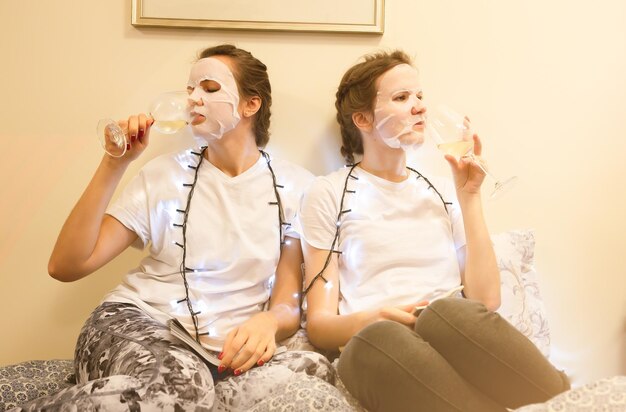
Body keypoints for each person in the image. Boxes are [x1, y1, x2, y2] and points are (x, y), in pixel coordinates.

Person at [20, 44, 334, 411]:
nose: (194, 100)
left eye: (210, 89)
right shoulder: (163, 175)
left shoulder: (298, 188)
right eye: (190, 90)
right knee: (181, 383)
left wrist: (267, 322)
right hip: (138, 321)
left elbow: (286, 302)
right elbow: (66, 266)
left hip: (221, 352)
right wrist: (115, 162)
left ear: (251, 104)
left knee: (312, 369)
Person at [298, 50, 570, 412]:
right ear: (362, 118)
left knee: (447, 313)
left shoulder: (442, 190)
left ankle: (571, 401)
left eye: (420, 96)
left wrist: (469, 195)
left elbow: (486, 301)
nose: (419, 107)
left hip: (452, 335)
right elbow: (319, 325)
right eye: (401, 98)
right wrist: (376, 316)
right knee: (381, 336)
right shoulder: (327, 192)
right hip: (375, 344)